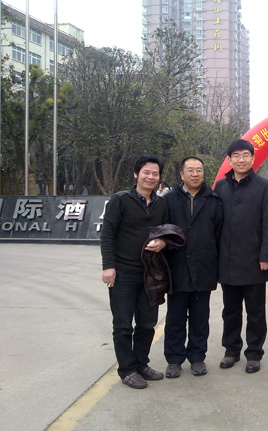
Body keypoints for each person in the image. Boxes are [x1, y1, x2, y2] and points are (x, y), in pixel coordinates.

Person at [100, 155, 169, 389]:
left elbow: (167, 232)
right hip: (123, 273)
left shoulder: (161, 204)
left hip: (150, 274)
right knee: (123, 326)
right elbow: (107, 234)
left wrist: (164, 242)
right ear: (136, 174)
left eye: (155, 173)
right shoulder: (120, 200)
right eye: (146, 172)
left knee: (147, 323)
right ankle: (127, 370)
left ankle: (141, 364)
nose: (151, 177)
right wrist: (108, 266)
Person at [214, 139, 268, 374]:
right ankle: (231, 350)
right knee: (230, 310)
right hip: (227, 260)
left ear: (252, 158)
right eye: (236, 156)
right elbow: (215, 224)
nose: (241, 160)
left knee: (256, 312)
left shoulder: (265, 187)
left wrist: (266, 255)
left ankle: (254, 353)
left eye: (245, 155)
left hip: (254, 261)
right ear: (229, 160)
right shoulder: (220, 186)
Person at [163, 157, 223, 378]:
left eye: (199, 170)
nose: (195, 174)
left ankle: (197, 357)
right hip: (177, 266)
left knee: (200, 317)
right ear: (182, 174)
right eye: (190, 170)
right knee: (175, 317)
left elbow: (218, 233)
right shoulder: (168, 200)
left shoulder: (213, 199)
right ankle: (174, 359)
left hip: (204, 266)